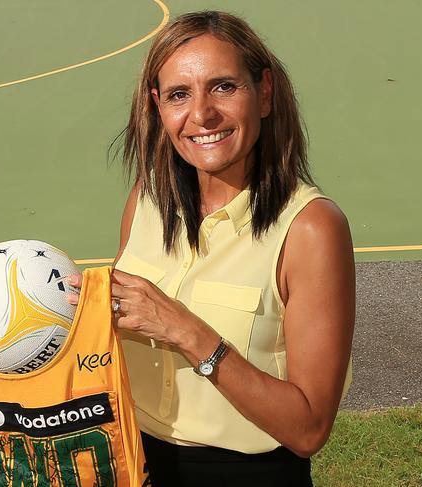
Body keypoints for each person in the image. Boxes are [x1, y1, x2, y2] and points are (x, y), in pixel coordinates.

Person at [66, 10, 355, 487]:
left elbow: (308, 429)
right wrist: (11, 311)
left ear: (264, 94)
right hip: (130, 462)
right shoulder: (146, 200)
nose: (201, 115)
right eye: (179, 94)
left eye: (223, 86)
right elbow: (106, 334)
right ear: (158, 106)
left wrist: (186, 330)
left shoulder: (310, 228)